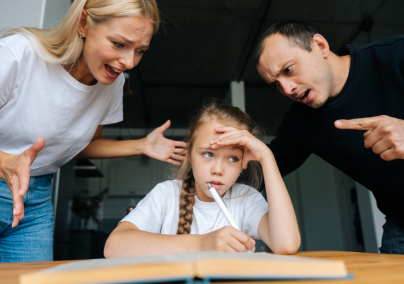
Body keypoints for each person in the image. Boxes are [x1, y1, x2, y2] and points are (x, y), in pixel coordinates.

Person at [0, 0, 187, 263]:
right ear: (84, 23)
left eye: (140, 50)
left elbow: (82, 144)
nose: (129, 61)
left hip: (37, 196)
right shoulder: (20, 53)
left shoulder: (112, 83)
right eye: (119, 44)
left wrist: (141, 145)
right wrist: (5, 161)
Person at [252, 21, 404, 254]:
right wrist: (198, 175)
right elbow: (257, 172)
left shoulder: (396, 55)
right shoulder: (300, 124)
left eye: (288, 70)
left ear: (320, 46)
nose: (287, 89)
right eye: (276, 84)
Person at [104, 100, 300, 257]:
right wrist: (201, 243)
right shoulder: (167, 194)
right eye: (208, 154)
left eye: (233, 158)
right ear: (190, 154)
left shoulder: (245, 198)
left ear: (244, 162)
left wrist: (267, 157)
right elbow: (114, 247)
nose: (218, 170)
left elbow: (287, 245)